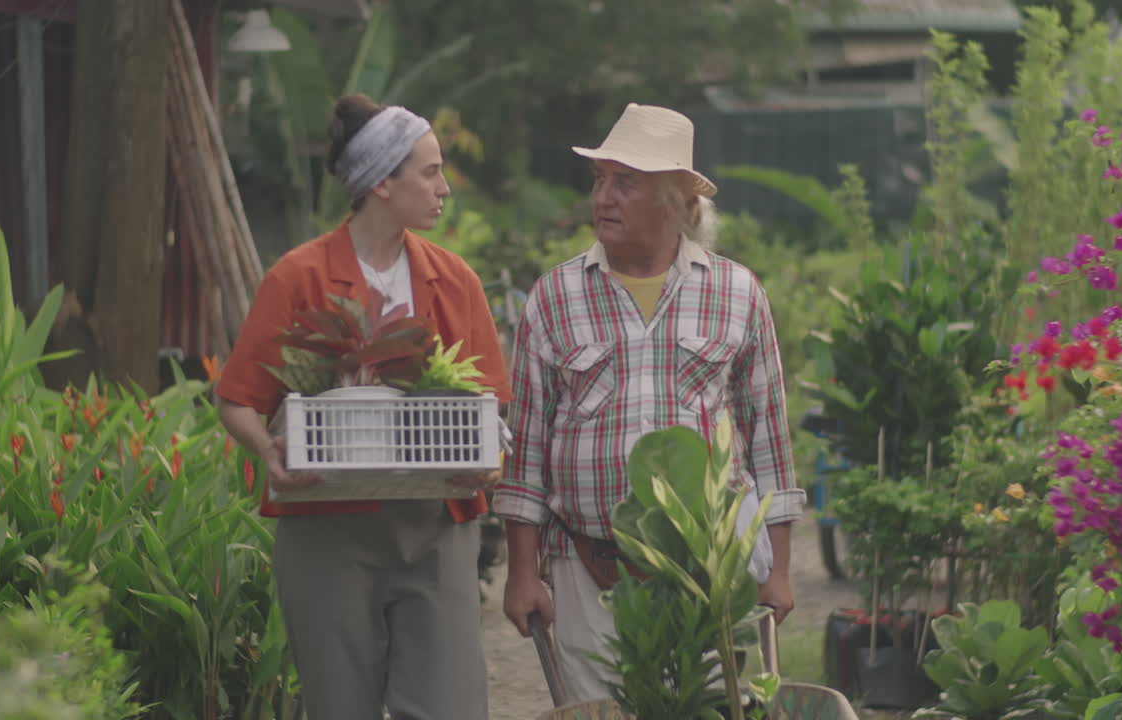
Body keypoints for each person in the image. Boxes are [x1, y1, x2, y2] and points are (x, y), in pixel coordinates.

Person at [493, 102, 805, 704]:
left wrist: (781, 570)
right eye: (599, 180)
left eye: (625, 183)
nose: (603, 198)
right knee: (600, 715)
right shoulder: (555, 296)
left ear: (677, 203)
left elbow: (769, 441)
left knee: (707, 710)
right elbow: (527, 453)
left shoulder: (737, 293)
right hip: (589, 568)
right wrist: (522, 572)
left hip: (710, 572)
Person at [215, 94, 510, 720]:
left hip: (436, 524)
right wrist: (268, 449)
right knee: (339, 705)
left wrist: (491, 462)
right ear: (382, 183)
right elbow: (238, 400)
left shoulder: (454, 280)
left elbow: (491, 409)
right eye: (430, 173)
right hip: (328, 525)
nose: (444, 189)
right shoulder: (298, 277)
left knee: (451, 705)